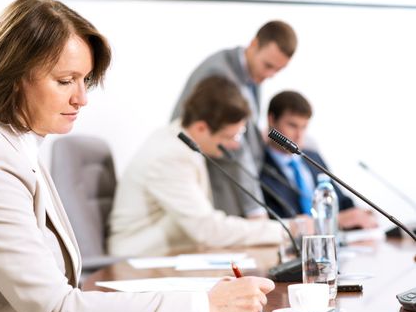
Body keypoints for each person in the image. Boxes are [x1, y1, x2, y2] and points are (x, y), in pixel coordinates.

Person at [0, 0, 276, 312]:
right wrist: (202, 305)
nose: (82, 99)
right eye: (65, 81)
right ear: (15, 78)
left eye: (85, 81)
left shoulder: (16, 145)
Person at [108, 75, 291, 258]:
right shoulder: (170, 155)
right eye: (229, 137)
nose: (236, 145)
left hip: (169, 256)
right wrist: (285, 230)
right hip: (138, 260)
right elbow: (207, 230)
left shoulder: (179, 141)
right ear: (201, 128)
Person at [170, 20, 297, 219]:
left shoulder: (250, 73)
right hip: (216, 182)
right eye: (268, 65)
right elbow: (234, 147)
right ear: (254, 44)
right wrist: (255, 210)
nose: (269, 75)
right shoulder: (219, 75)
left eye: (277, 70)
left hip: (233, 181)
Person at [260, 90, 378, 230]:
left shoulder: (312, 157)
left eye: (304, 127)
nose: (299, 135)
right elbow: (282, 220)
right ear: (271, 120)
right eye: (292, 125)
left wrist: (359, 214)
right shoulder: (259, 167)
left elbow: (340, 199)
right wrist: (336, 220)